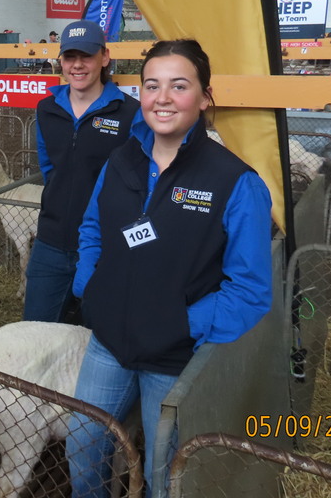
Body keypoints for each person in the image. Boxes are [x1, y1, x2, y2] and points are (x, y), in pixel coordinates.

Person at [65, 39, 272, 497]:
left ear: (203, 97)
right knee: (82, 445)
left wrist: (181, 323)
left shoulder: (235, 182)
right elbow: (93, 226)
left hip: (173, 357)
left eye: (179, 86)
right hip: (108, 343)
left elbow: (251, 289)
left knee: (165, 473)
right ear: (140, 93)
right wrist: (90, 286)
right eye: (151, 85)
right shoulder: (121, 161)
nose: (162, 97)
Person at [23, 20, 140, 323]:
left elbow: (137, 180)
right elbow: (49, 168)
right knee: (36, 330)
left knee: (96, 334)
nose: (77, 65)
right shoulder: (47, 109)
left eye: (86, 56)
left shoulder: (129, 113)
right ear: (60, 61)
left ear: (104, 57)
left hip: (105, 245)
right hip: (51, 240)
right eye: (70, 57)